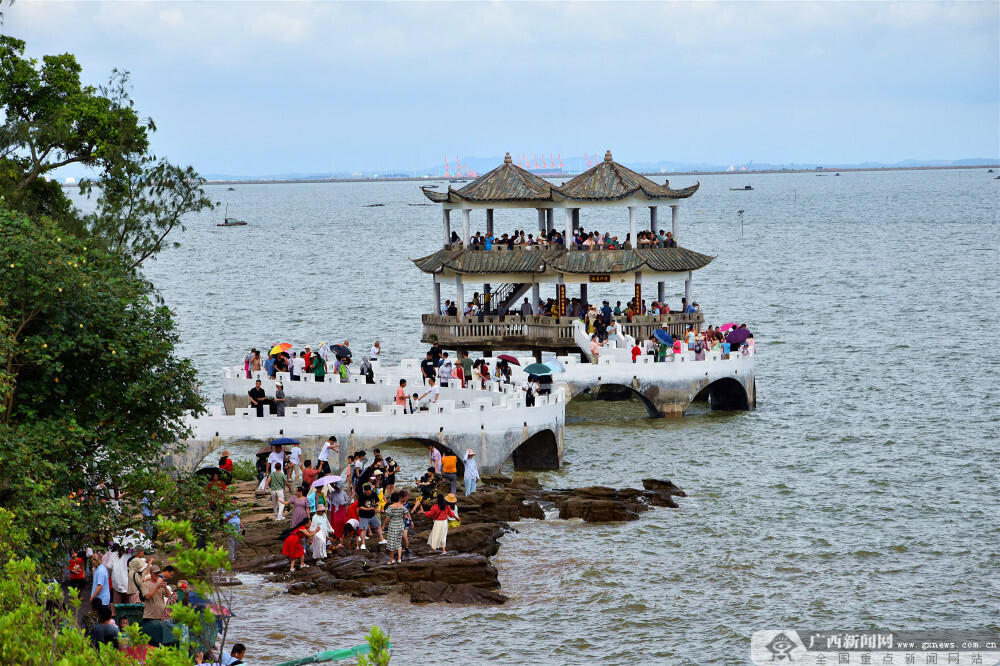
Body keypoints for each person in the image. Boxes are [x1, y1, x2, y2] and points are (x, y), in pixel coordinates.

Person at [356, 483, 385, 550]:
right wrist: (368, 509)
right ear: (364, 491)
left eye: (369, 493)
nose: (368, 494)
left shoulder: (374, 494)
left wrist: (376, 505)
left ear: (370, 490)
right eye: (366, 493)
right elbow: (360, 507)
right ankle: (363, 544)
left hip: (372, 515)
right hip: (363, 516)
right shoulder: (361, 496)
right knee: (364, 529)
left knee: (378, 525)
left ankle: (381, 539)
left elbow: (378, 501)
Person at [383, 492, 408, 565]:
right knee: (398, 542)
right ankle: (399, 559)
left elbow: (388, 517)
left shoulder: (390, 507)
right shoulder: (402, 507)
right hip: (400, 526)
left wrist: (383, 525)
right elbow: (405, 517)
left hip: (393, 526)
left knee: (391, 543)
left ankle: (391, 559)